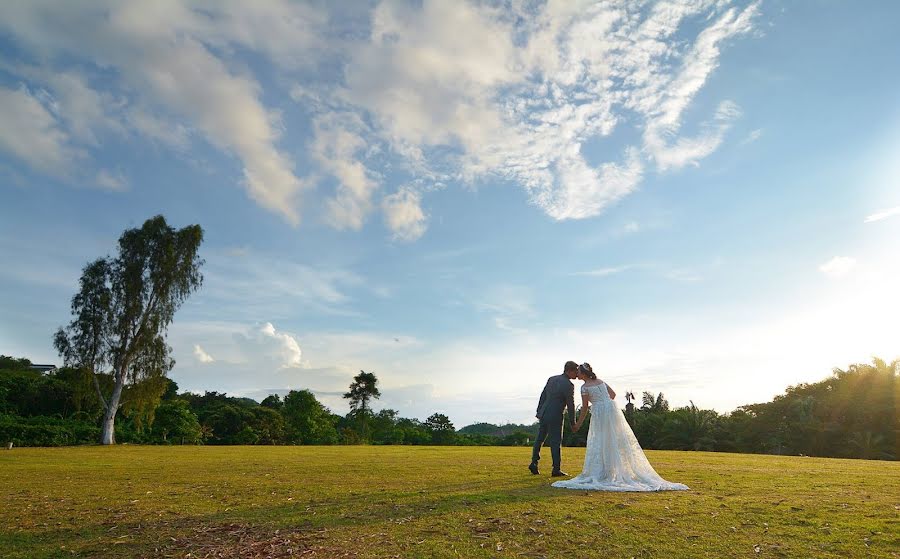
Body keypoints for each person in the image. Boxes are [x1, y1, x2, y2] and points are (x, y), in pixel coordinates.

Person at [551, 362, 689, 492]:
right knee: (614, 439)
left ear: (584, 374)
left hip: (600, 413)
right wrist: (604, 402)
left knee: (601, 439)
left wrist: (578, 424)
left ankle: (605, 471)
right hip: (611, 410)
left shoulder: (584, 387)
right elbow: (613, 395)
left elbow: (585, 407)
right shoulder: (601, 382)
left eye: (579, 372)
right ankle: (613, 469)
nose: (577, 374)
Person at [529, 361, 577, 476]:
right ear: (569, 371)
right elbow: (571, 404)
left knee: (540, 439)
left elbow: (543, 395)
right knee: (556, 442)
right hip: (556, 415)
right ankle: (556, 469)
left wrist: (539, 411)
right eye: (575, 371)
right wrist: (573, 422)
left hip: (544, 413)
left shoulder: (552, 379)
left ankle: (534, 463)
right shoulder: (569, 385)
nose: (576, 374)